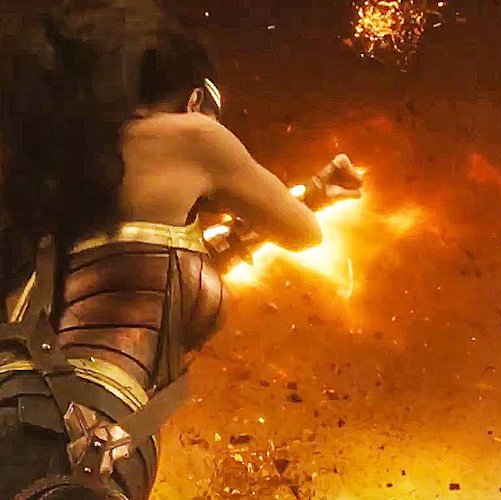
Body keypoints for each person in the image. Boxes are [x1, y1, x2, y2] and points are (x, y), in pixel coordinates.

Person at [0, 1, 363, 498]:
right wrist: (308, 199)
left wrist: (314, 192)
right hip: (78, 442)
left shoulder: (63, 176)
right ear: (195, 98)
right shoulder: (193, 135)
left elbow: (145, 271)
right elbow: (302, 232)